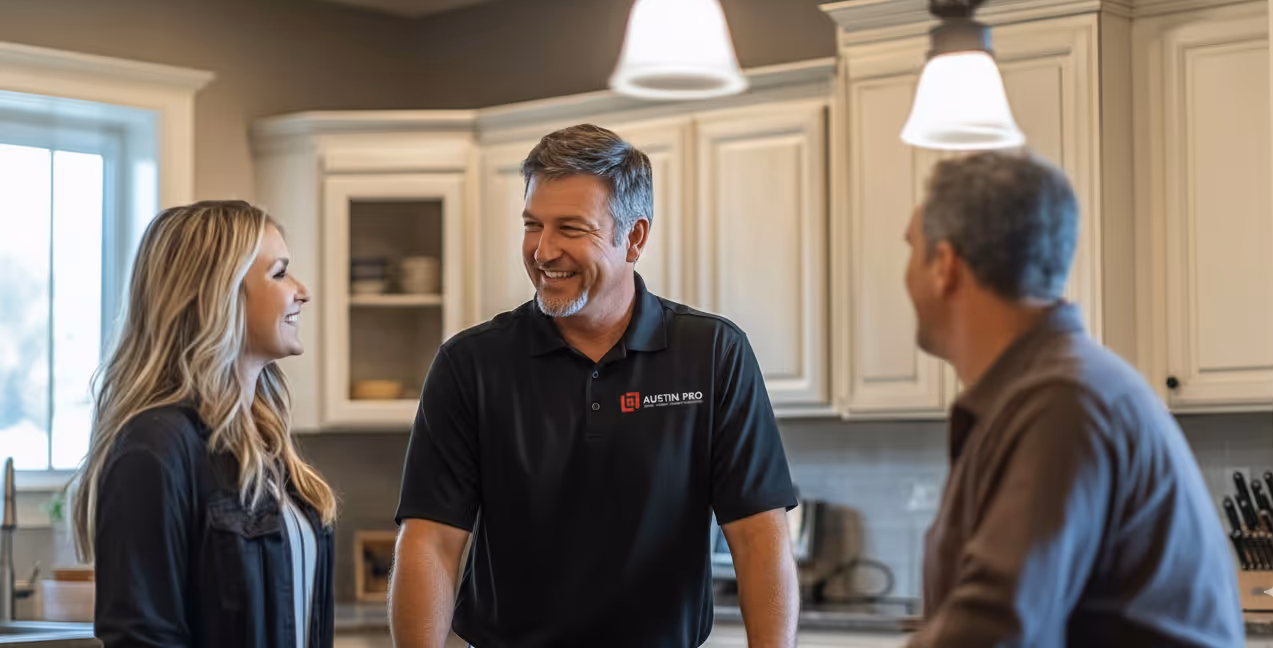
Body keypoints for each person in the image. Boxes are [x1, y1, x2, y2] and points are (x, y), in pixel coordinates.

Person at [390, 124, 800, 648]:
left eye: (571, 228)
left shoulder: (713, 355)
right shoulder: (470, 364)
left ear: (634, 238)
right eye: (533, 224)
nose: (543, 250)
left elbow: (758, 538)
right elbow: (431, 543)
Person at [903, 151, 1242, 648]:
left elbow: (994, 629)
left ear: (946, 267)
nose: (904, 275)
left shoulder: (1062, 402)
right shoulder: (1061, 389)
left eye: (911, 249)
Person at [71, 200, 338, 648]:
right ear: (220, 294)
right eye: (279, 273)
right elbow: (143, 638)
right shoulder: (154, 449)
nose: (302, 291)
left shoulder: (267, 448)